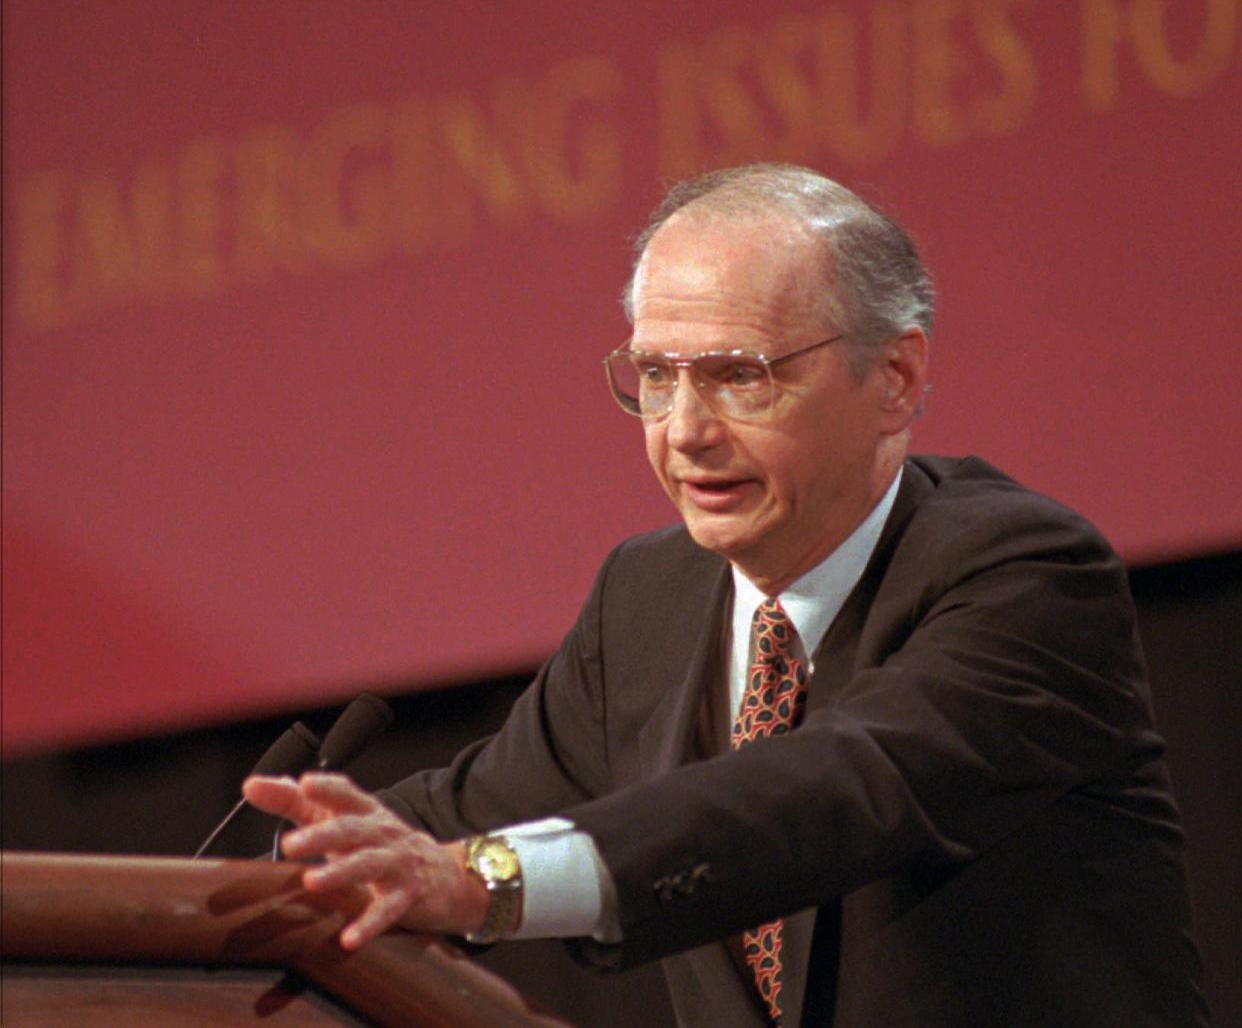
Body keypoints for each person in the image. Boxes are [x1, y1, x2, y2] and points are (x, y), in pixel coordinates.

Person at [244, 163, 1209, 1026]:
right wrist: (245, 898)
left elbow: (838, 785)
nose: (686, 431)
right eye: (657, 376)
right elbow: (475, 811)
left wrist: (482, 882)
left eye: (739, 377)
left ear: (897, 378)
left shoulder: (1026, 573)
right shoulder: (648, 600)